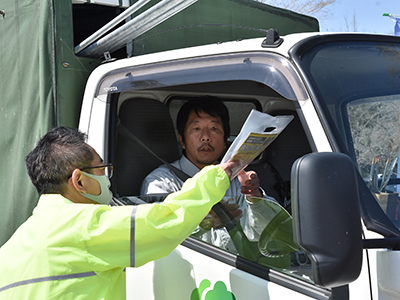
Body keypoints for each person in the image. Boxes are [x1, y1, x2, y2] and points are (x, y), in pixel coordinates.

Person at [0, 127, 236, 300]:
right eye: (102, 169)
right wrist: (216, 178)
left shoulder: (12, 247)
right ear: (80, 181)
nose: (106, 177)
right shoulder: (84, 227)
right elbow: (165, 221)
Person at [140, 98, 277, 253]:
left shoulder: (238, 179)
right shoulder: (161, 182)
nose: (205, 137)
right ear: (182, 140)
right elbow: (157, 234)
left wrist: (256, 198)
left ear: (226, 141)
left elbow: (267, 233)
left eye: (214, 128)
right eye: (196, 129)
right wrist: (203, 222)